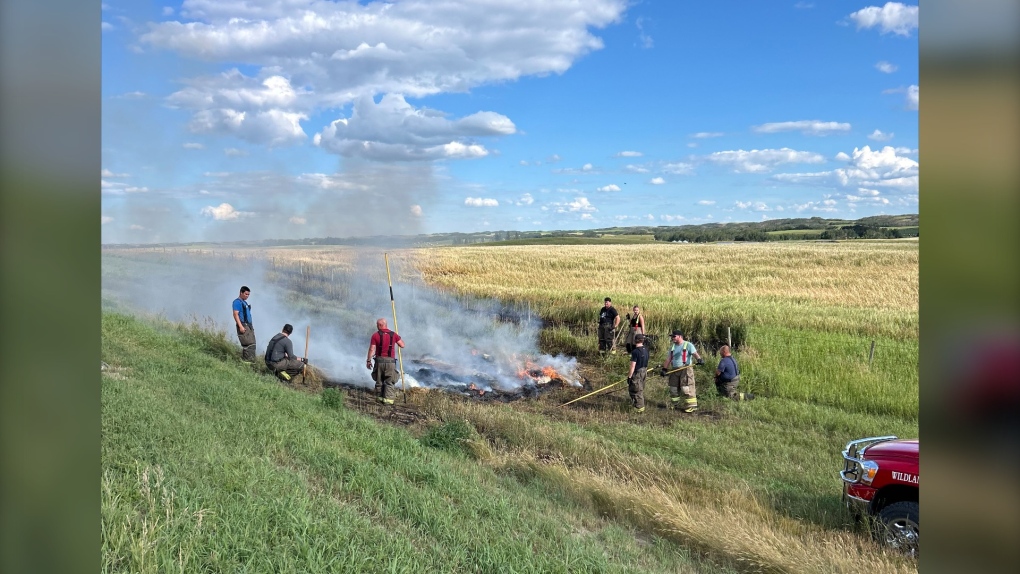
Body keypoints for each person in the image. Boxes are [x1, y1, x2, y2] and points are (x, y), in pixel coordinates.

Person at [661, 330, 703, 412]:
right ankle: (674, 404)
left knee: (686, 388)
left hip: (685, 369)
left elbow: (695, 354)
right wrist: (664, 369)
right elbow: (668, 359)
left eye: (674, 336)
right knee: (673, 388)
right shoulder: (672, 347)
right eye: (672, 337)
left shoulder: (688, 345)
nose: (672, 338)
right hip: (674, 369)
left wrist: (699, 359)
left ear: (680, 336)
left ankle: (692, 406)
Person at [366, 318, 405, 405]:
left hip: (379, 361)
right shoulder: (394, 335)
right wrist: (398, 338)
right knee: (389, 381)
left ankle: (379, 399)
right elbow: (402, 345)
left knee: (379, 381)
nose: (376, 326)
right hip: (390, 362)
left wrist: (368, 360)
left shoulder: (375, 335)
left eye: (377, 325)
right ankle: (388, 402)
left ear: (380, 325)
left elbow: (372, 349)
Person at [627, 334, 650, 413]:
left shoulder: (635, 352)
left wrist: (629, 377)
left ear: (635, 340)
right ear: (642, 340)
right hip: (644, 371)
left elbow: (632, 366)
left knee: (635, 389)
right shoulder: (646, 349)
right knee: (640, 388)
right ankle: (638, 405)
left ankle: (639, 407)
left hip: (637, 372)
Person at [232, 286, 256, 363]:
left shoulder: (244, 302)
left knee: (252, 344)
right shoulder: (237, 302)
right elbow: (235, 314)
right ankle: (247, 363)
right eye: (246, 294)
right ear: (241, 292)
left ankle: (251, 362)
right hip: (243, 325)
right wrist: (240, 326)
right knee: (248, 345)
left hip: (248, 326)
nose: (247, 296)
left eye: (248, 294)